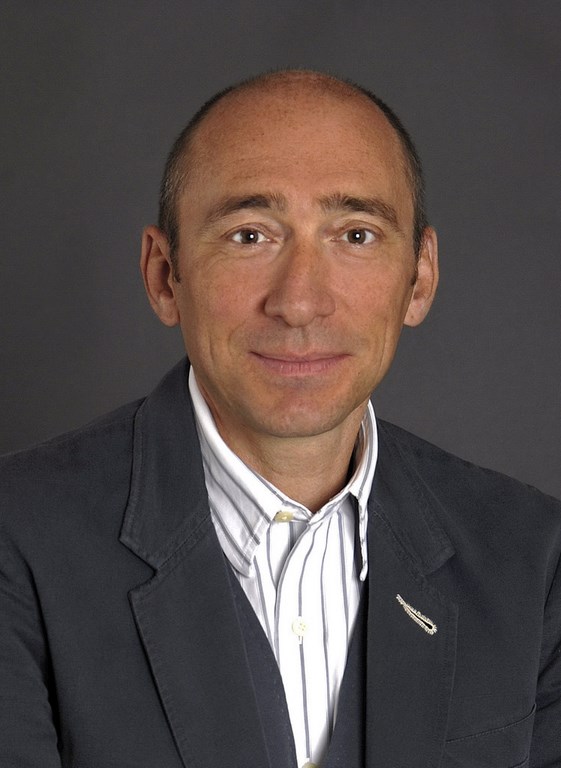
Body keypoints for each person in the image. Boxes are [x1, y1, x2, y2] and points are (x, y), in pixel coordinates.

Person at [0, 70, 559, 768]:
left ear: (418, 279)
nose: (299, 302)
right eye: (249, 236)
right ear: (164, 275)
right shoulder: (17, 539)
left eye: (355, 234)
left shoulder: (534, 560)